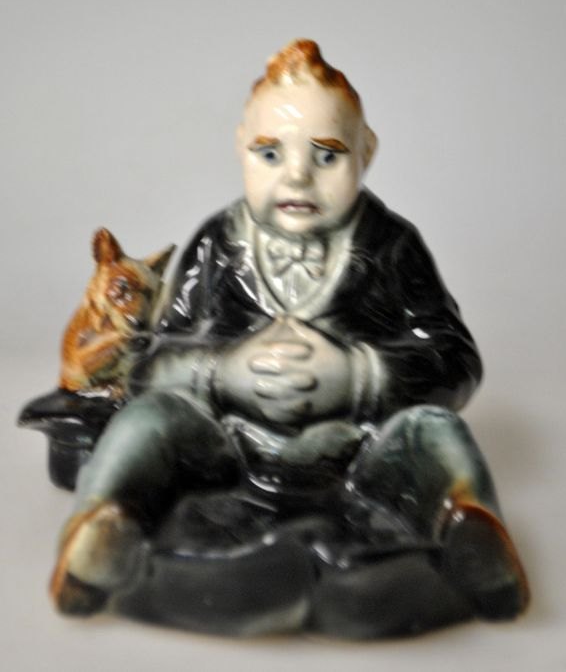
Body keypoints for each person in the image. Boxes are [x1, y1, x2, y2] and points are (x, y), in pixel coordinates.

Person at [49, 40, 529, 635]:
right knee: (147, 421)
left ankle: (471, 533)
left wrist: (357, 376)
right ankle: (103, 525)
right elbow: (152, 365)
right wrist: (223, 372)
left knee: (436, 430)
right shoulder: (218, 245)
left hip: (361, 450)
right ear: (240, 148)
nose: (297, 175)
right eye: (270, 153)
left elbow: (454, 358)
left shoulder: (391, 246)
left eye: (327, 155)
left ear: (367, 151)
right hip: (229, 447)